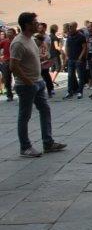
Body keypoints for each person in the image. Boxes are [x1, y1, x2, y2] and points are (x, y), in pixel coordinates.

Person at [10, 12, 66, 157]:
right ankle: (25, 147)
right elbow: (13, 66)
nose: (38, 24)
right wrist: (28, 81)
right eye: (35, 22)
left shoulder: (31, 39)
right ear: (27, 25)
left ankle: (48, 142)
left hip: (38, 82)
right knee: (25, 116)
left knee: (45, 110)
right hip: (26, 85)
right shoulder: (18, 42)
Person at [63, 22, 87, 100]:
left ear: (75, 27)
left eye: (71, 26)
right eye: (69, 27)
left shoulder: (81, 36)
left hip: (79, 59)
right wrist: (67, 56)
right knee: (70, 76)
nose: (69, 28)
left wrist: (80, 57)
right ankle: (70, 92)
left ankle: (80, 92)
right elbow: (67, 46)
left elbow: (84, 47)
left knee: (80, 76)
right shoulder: (69, 36)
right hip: (71, 59)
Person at [0, 27, 16, 101]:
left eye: (10, 32)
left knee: (18, 78)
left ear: (14, 33)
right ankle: (9, 95)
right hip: (6, 62)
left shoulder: (17, 41)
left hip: (16, 62)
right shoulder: (4, 41)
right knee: (7, 79)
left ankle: (20, 93)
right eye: (8, 32)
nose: (8, 33)